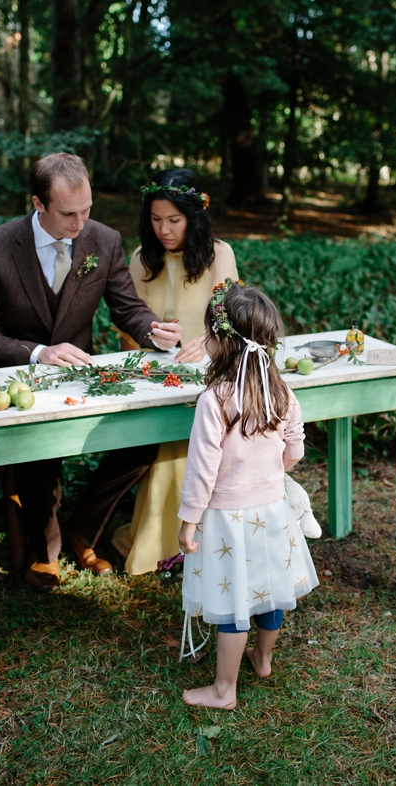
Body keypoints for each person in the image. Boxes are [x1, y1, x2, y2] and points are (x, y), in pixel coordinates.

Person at [0, 153, 182, 592]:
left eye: (87, 210)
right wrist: (38, 352)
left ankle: (84, 529)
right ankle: (46, 552)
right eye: (69, 213)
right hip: (18, 377)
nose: (80, 223)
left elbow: (127, 307)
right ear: (38, 204)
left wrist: (153, 331)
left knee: (142, 440)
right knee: (40, 456)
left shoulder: (103, 240)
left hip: (81, 377)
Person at [178, 280, 318, 709]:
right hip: (272, 511)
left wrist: (188, 519)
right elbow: (295, 449)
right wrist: (271, 474)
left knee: (235, 601)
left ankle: (223, 690)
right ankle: (263, 659)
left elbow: (203, 468)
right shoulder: (282, 392)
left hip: (226, 519)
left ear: (220, 341)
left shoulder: (215, 399)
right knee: (270, 590)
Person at [110, 168, 239, 574]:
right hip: (156, 373)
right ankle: (160, 542)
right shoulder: (140, 258)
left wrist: (209, 341)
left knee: (197, 430)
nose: (163, 230)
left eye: (174, 220)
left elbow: (230, 319)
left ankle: (195, 540)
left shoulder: (220, 254)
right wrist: (146, 356)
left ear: (194, 216)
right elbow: (127, 329)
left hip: (211, 371)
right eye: (155, 219)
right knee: (165, 434)